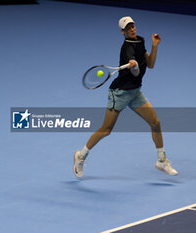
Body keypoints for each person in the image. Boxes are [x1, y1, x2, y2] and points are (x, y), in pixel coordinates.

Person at [73, 16, 178, 178]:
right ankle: (80, 156)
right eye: (128, 28)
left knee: (155, 122)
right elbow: (135, 72)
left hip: (135, 92)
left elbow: (150, 65)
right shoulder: (127, 48)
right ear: (123, 32)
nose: (132, 29)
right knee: (106, 130)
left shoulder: (140, 41)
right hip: (120, 93)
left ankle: (161, 160)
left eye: (133, 26)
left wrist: (154, 46)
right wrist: (134, 66)